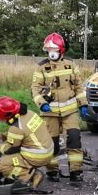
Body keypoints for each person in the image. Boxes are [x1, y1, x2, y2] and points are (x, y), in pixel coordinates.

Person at [31, 33, 88, 183]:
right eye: (49, 49)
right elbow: (35, 89)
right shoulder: (41, 67)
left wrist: (83, 104)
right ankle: (52, 172)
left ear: (61, 49)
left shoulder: (70, 64)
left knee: (74, 140)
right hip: (49, 113)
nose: (51, 52)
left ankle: (76, 172)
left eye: (54, 49)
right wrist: (42, 103)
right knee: (52, 143)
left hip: (70, 111)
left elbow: (78, 87)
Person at [0, 96, 54, 191]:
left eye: (1, 118)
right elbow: (28, 132)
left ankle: (29, 176)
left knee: (0, 164)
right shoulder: (30, 113)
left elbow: (10, 149)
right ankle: (29, 171)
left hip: (36, 156)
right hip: (48, 150)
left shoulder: (16, 128)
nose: (1, 120)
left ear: (8, 115)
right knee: (7, 138)